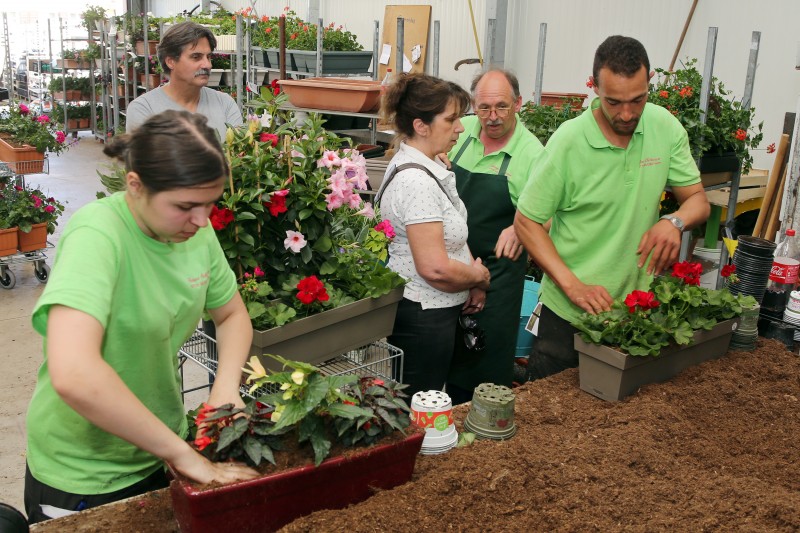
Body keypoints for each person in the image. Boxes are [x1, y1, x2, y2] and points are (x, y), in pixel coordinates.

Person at [24, 110, 259, 524]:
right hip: (85, 474)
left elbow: (232, 313)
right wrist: (182, 454)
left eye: (210, 204)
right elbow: (74, 373)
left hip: (158, 449)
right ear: (136, 185)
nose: (203, 220)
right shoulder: (97, 237)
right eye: (185, 206)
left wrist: (225, 390)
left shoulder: (195, 231)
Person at [514, 35, 710, 380]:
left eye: (638, 100)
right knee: (551, 418)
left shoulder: (663, 127)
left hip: (636, 311)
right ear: (595, 88)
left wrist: (674, 222)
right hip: (568, 317)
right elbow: (527, 221)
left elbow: (697, 200)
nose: (627, 113)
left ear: (649, 83)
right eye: (614, 101)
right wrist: (573, 286)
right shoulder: (569, 142)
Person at [376, 73, 491, 399]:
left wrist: (467, 278)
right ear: (421, 125)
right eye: (452, 119)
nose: (460, 128)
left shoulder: (423, 164)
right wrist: (478, 276)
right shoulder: (418, 182)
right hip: (424, 316)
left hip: (435, 310)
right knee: (419, 409)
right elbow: (435, 268)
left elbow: (446, 234)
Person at [445, 69, 545, 404]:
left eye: (502, 107)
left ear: (518, 103)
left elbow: (548, 215)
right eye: (483, 108)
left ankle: (481, 433)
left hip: (498, 275)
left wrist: (521, 225)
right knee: (442, 353)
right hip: (451, 261)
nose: (492, 118)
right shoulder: (460, 131)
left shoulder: (532, 154)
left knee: (482, 366)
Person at [126, 21, 242, 141]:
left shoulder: (225, 104)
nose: (207, 65)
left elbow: (240, 154)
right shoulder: (144, 108)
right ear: (170, 61)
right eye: (196, 57)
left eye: (208, 57)